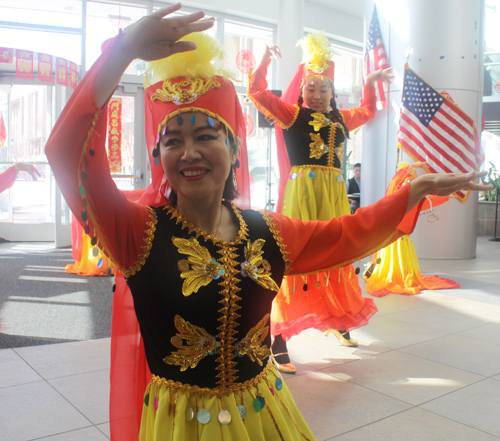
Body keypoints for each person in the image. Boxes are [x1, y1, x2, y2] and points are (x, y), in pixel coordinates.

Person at [44, 5, 490, 441]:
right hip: (180, 426)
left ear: (234, 150)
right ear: (158, 156)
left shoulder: (266, 231)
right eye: (173, 141)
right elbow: (67, 152)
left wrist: (410, 193)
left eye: (205, 136)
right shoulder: (135, 233)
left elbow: (344, 235)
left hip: (265, 412)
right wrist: (121, 53)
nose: (190, 153)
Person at [248, 33, 394, 373]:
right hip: (302, 195)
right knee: (296, 256)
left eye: (323, 89)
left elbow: (370, 110)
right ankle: (279, 340)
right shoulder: (290, 115)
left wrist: (369, 81)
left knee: (337, 250)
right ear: (302, 91)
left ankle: (339, 321)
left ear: (333, 93)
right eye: (310, 89)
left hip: (333, 195)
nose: (315, 95)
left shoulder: (343, 119)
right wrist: (265, 61)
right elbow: (256, 93)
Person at [364, 162, 460, 296]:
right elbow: (398, 178)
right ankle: (392, 275)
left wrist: (446, 197)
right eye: (407, 180)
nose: (409, 183)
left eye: (412, 181)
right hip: (393, 229)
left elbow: (425, 202)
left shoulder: (408, 195)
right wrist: (413, 166)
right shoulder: (393, 189)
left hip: (400, 231)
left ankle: (400, 275)